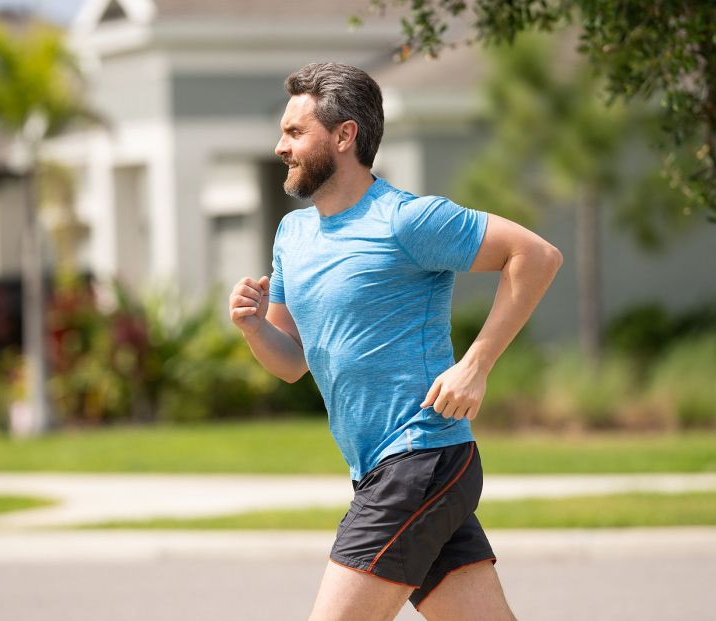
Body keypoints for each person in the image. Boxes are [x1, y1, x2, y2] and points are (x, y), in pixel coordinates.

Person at [228, 62, 563, 621]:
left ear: (343, 135)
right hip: (384, 470)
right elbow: (291, 363)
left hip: (420, 456)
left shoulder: (406, 220)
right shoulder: (293, 234)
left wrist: (475, 366)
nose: (279, 146)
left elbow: (536, 255)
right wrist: (254, 327)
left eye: (294, 132)